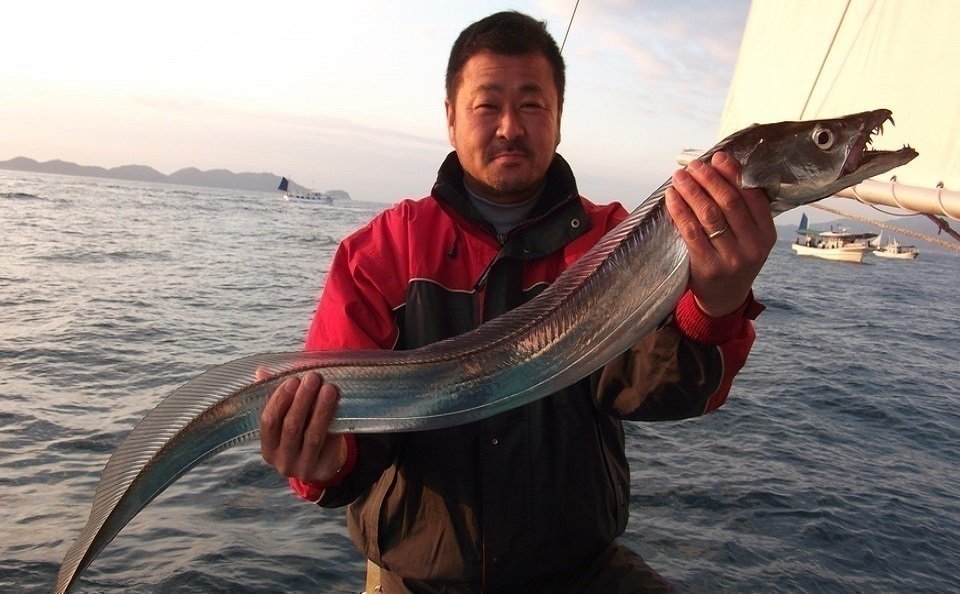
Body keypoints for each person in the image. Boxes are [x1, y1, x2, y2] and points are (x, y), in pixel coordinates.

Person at [260, 10, 774, 593]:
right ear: (451, 119)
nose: (510, 126)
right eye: (487, 105)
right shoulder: (379, 253)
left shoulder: (617, 239)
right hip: (419, 579)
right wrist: (326, 462)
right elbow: (346, 439)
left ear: (558, 120)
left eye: (532, 104)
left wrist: (718, 302)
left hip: (581, 572)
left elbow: (654, 389)